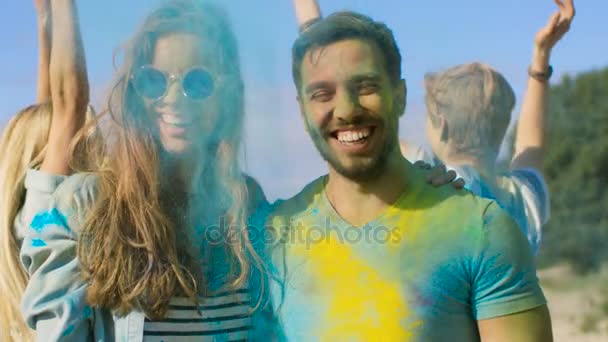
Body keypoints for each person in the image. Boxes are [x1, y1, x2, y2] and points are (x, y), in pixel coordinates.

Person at [266, 10, 552, 341]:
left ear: (401, 98)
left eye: (366, 86)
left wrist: (311, 25)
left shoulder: (443, 184)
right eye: (322, 93)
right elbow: (532, 148)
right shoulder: (519, 198)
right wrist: (540, 67)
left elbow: (352, 135)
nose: (346, 109)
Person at [19, 1, 275, 340]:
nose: (173, 98)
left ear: (227, 93)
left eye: (197, 82)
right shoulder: (85, 205)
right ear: (134, 93)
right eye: (153, 80)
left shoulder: (246, 200)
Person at [424, 0, 575, 254]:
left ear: (442, 123)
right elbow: (530, 146)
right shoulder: (525, 199)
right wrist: (541, 57)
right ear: (504, 127)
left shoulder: (438, 190)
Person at [0, 0, 91, 339]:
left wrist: (45, 20)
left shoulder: (27, 222)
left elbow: (52, 109)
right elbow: (69, 104)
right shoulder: (48, 210)